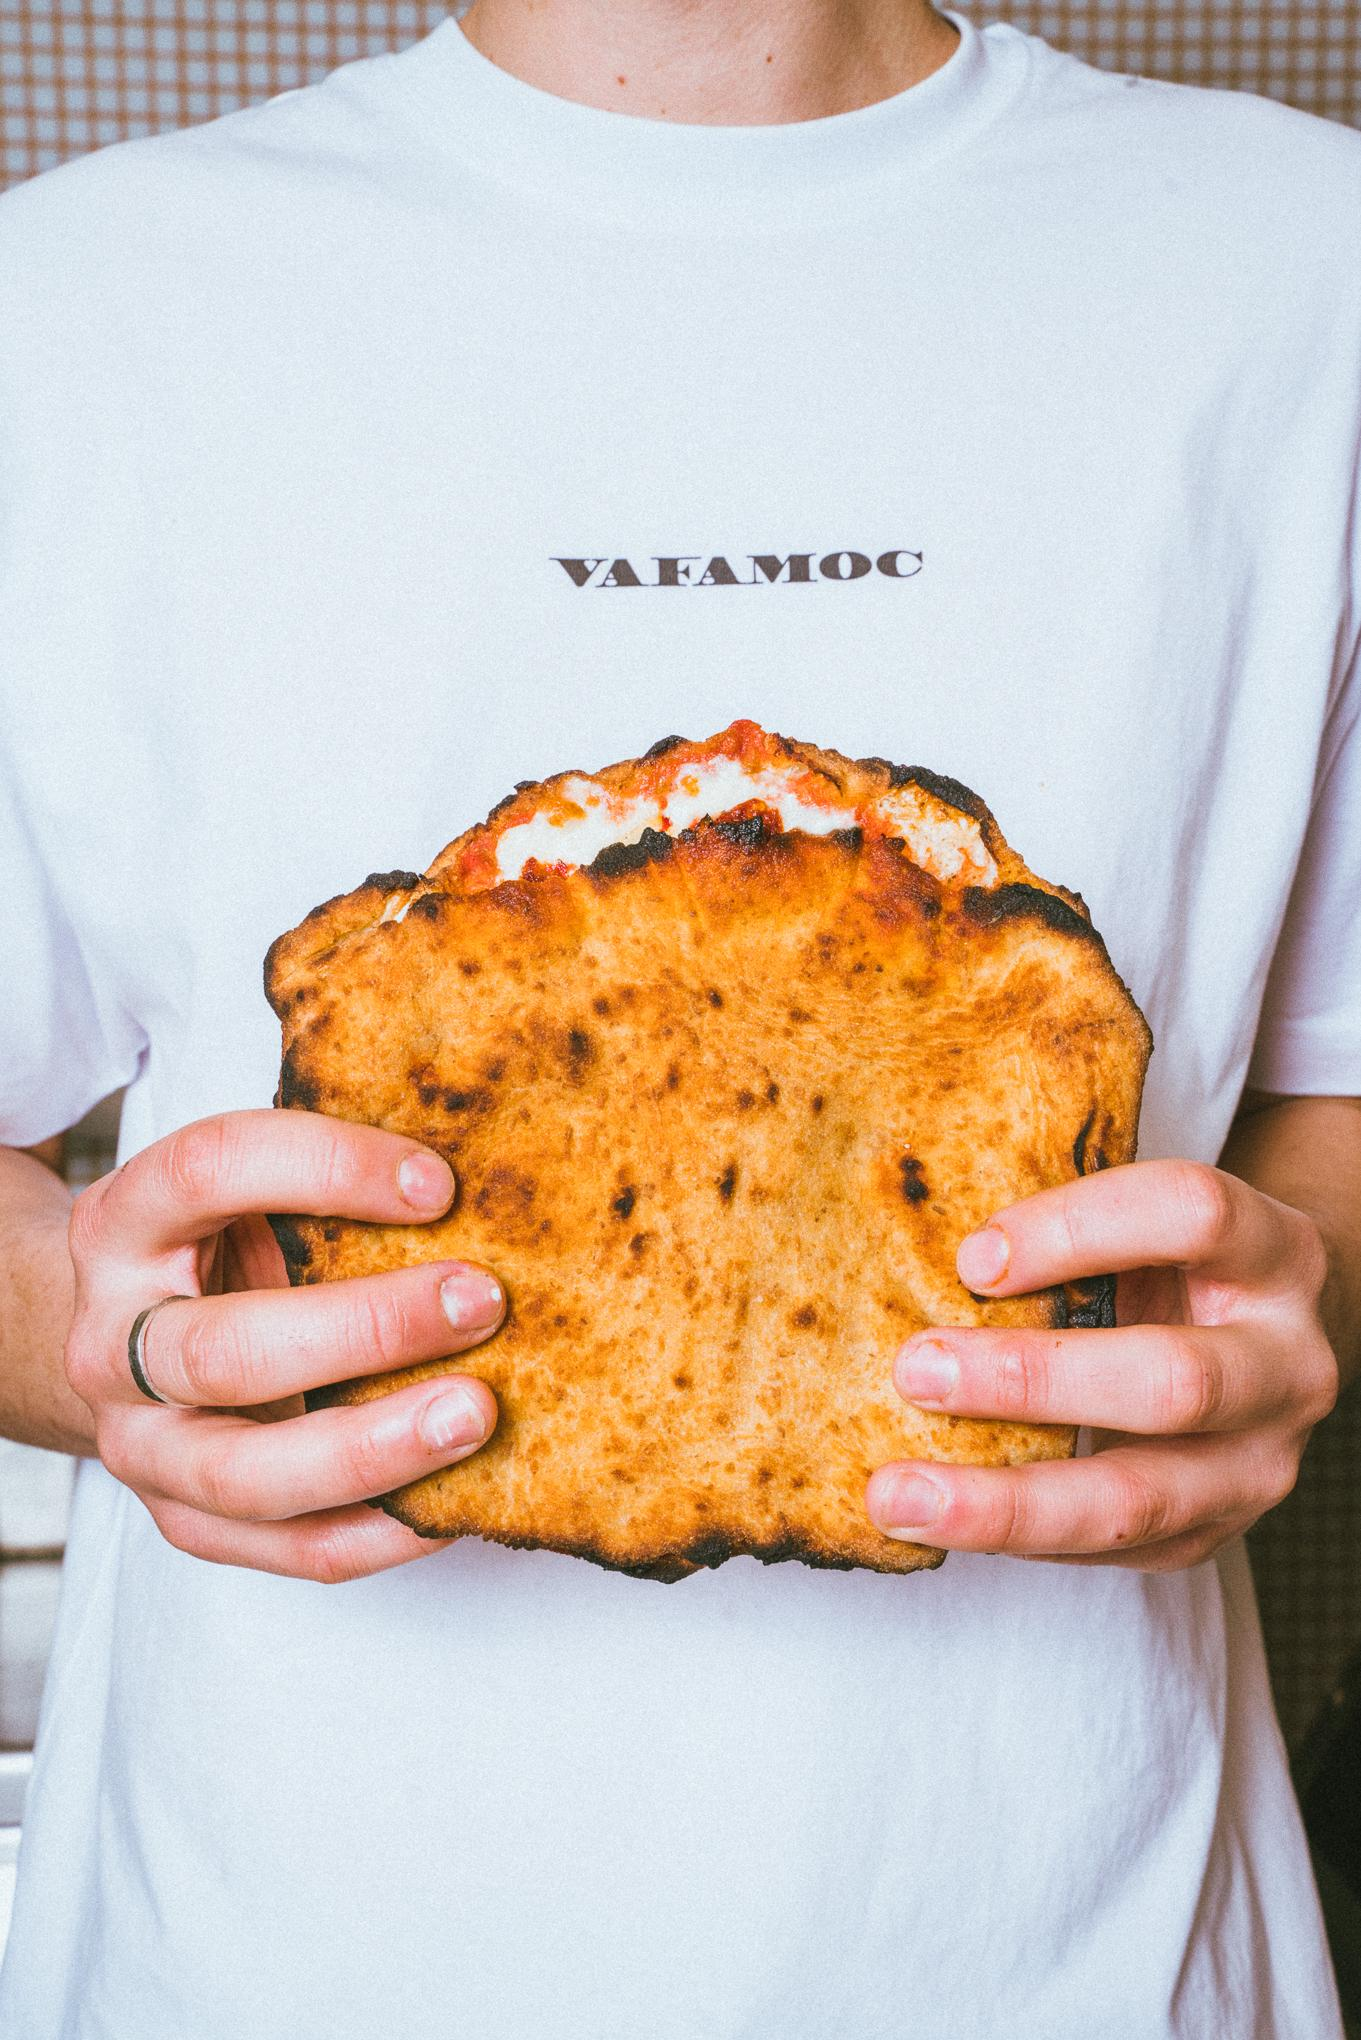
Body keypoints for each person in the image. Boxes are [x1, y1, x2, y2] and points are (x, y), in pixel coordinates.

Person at [0, 0, 1358, 2029]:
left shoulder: (1300, 263)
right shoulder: (69, 307)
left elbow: (1331, 1085)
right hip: (281, 1945)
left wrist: (1294, 1298)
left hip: (1081, 1944)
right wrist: (92, 1348)